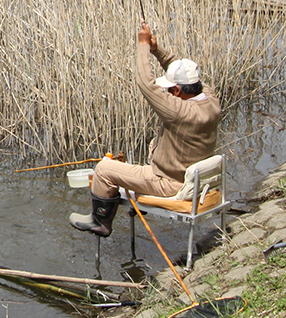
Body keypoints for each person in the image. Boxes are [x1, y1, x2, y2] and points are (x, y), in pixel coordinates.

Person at [69, 21, 221, 237]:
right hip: (190, 177)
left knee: (104, 169)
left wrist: (142, 45)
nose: (167, 92)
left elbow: (145, 83)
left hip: (168, 183)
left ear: (177, 91)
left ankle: (99, 222)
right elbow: (182, 69)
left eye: (170, 89)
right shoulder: (210, 99)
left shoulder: (179, 111)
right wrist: (156, 49)